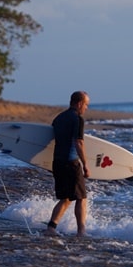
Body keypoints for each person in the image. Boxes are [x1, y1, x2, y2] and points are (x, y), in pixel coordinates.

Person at [45, 91, 90, 237]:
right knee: (81, 197)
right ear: (79, 104)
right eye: (86, 105)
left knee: (65, 198)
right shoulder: (77, 119)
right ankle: (81, 231)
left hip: (57, 163)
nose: (86, 108)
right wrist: (85, 164)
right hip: (71, 163)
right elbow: (79, 142)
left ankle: (51, 228)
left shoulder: (59, 118)